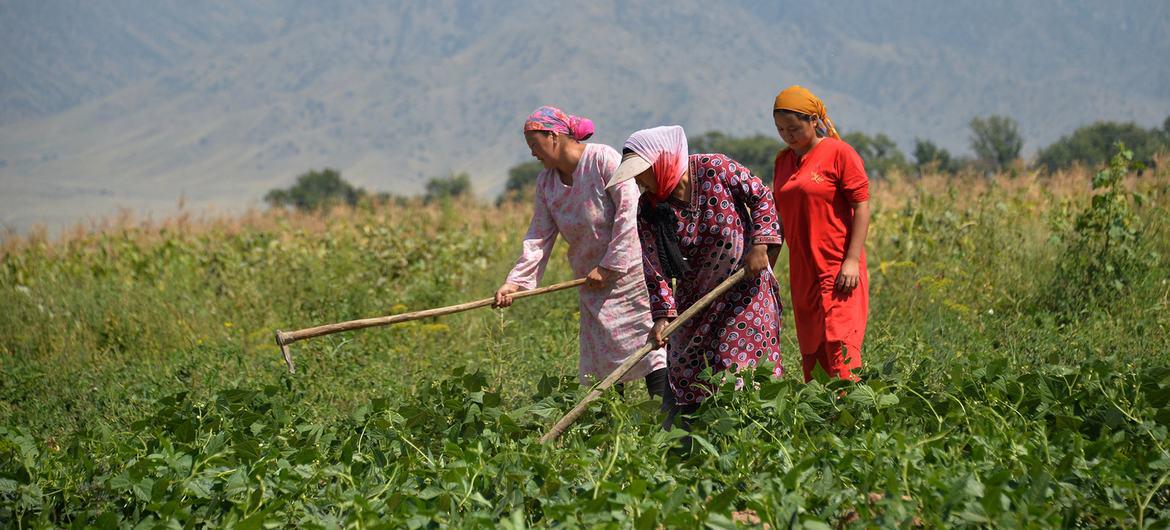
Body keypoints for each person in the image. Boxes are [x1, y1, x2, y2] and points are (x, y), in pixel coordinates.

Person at [606, 125, 784, 425]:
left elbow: (762, 197)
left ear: (661, 161)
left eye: (641, 172)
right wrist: (663, 316)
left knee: (737, 370)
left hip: (745, 291)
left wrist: (760, 244)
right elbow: (654, 268)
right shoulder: (649, 208)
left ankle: (748, 438)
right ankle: (687, 446)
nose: (638, 181)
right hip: (695, 301)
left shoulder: (715, 168)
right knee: (686, 370)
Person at [494, 106, 668, 400]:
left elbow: (629, 213)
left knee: (652, 349)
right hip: (592, 285)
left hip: (633, 279)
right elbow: (539, 235)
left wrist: (610, 266)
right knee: (603, 363)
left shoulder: (603, 159)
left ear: (553, 136)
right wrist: (516, 283)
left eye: (535, 145)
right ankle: (611, 432)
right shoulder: (546, 184)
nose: (533, 153)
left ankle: (668, 424)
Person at [771, 85, 871, 382]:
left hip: (838, 268)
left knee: (840, 345)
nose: (788, 135)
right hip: (804, 271)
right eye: (780, 130)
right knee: (813, 349)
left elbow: (861, 206)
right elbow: (779, 220)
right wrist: (768, 266)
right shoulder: (782, 162)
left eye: (793, 128)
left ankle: (851, 418)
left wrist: (851, 259)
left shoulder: (839, 153)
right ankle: (822, 421)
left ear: (814, 120)